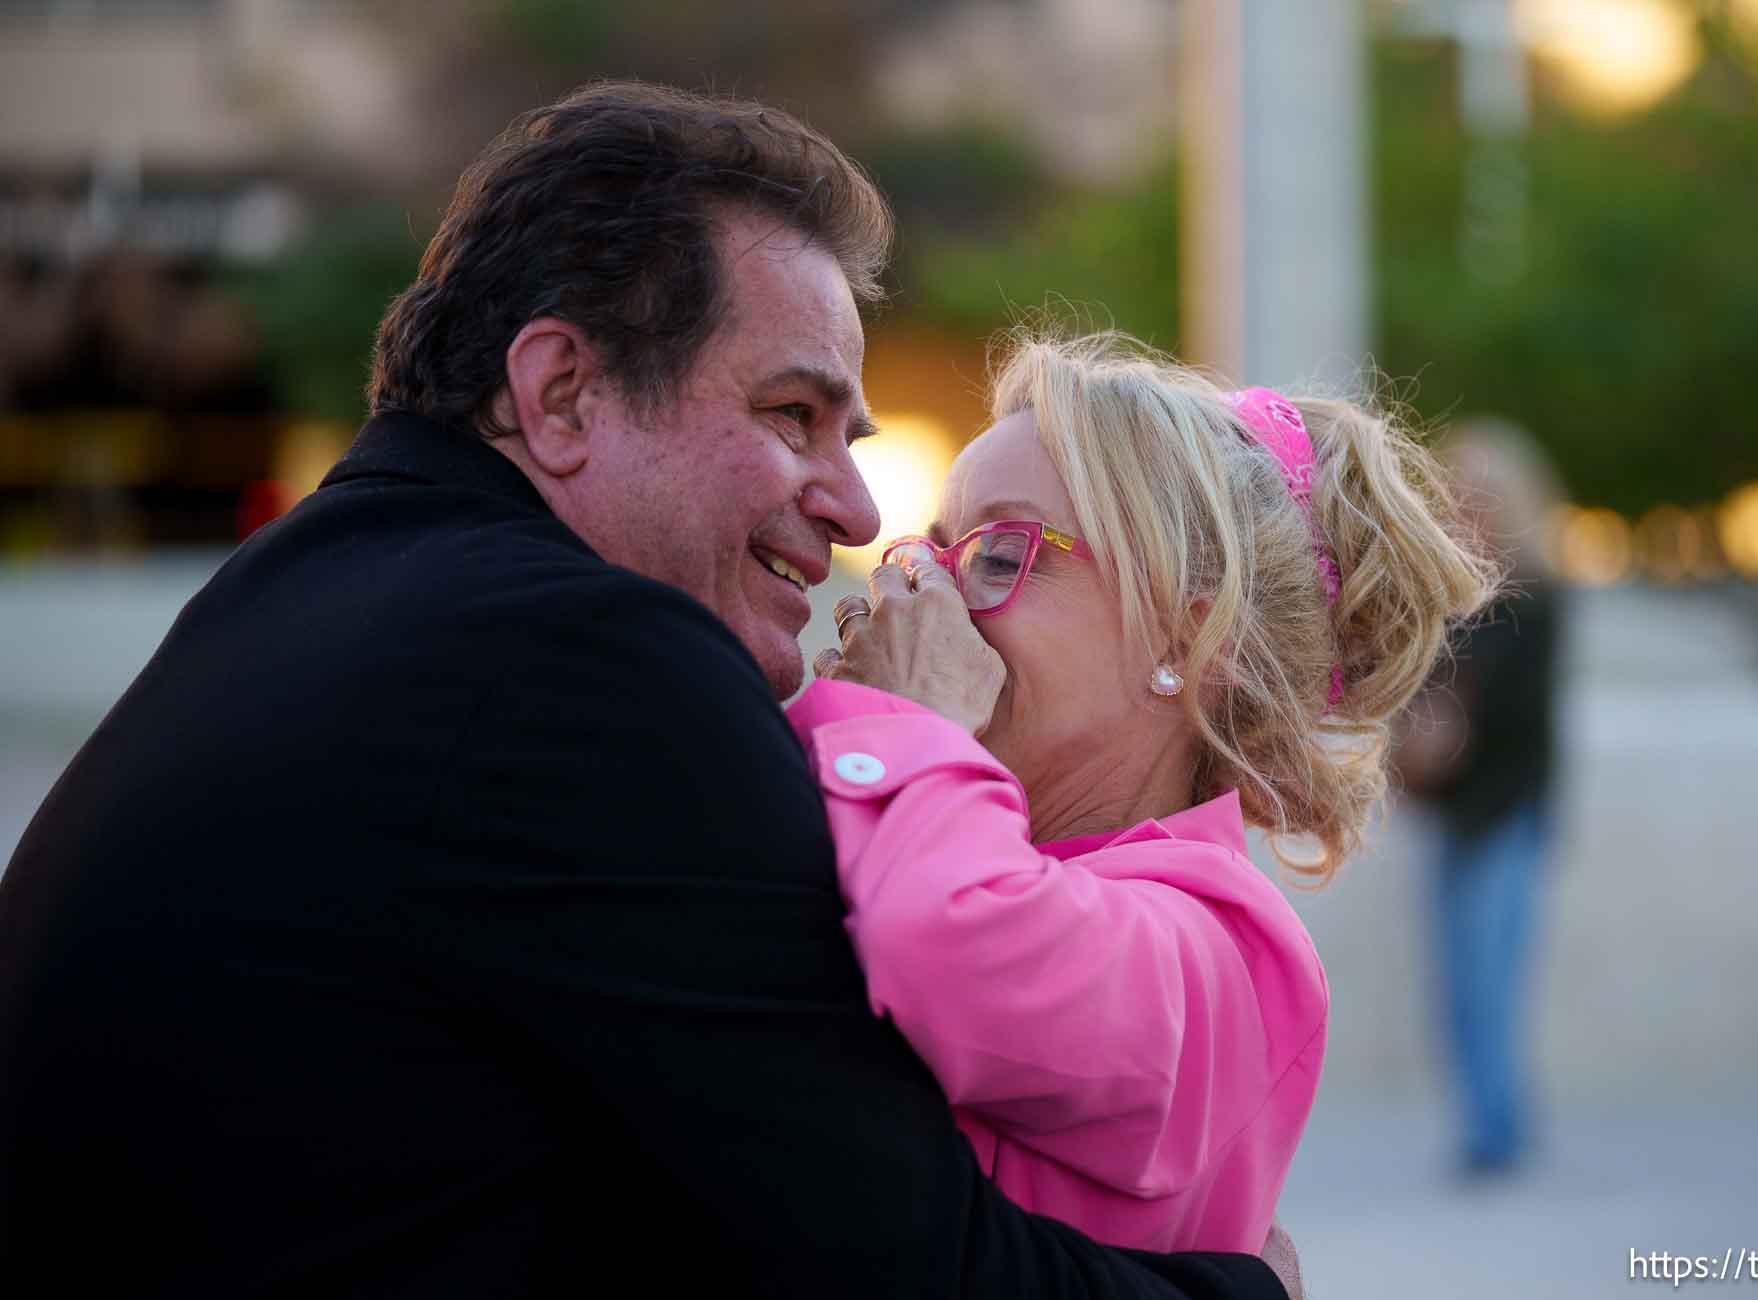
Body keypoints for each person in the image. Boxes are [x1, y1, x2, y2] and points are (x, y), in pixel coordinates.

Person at [0, 83, 1291, 1299]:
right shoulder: (578, 663)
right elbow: (897, 1264)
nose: (852, 515)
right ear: (562, 394)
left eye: (852, 441)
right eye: (793, 414)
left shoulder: (326, 592)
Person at [792, 333, 1497, 1252]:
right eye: (930, 551)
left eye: (999, 556)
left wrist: (907, 726)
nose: (921, 592)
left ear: (1190, 642)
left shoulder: (1225, 950)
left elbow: (948, 944)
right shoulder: (932, 820)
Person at [1394, 419, 1565, 1179]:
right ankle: (1489, 1119)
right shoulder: (1448, 596)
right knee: (1458, 981)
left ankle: (1496, 1128)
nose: (1467, 505)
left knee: (1490, 974)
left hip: (1507, 809)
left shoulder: (1537, 599)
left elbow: (1516, 713)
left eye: (1480, 492)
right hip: (1456, 810)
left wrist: (1448, 724)